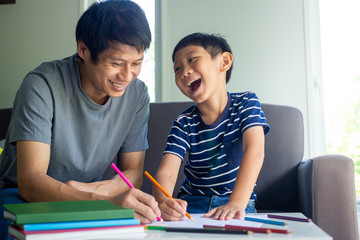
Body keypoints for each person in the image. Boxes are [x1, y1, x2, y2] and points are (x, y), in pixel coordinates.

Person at [0, 0, 161, 238]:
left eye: (136, 63)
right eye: (116, 63)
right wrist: (103, 202)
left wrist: (103, 194)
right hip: (22, 196)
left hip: (89, 197)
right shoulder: (41, 84)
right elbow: (31, 181)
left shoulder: (137, 94)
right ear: (84, 50)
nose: (127, 76)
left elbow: (133, 172)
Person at [153, 33, 270, 221]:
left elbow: (255, 152)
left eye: (192, 59)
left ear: (224, 62)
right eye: (177, 68)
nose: (184, 72)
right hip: (192, 204)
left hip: (238, 203)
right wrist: (163, 201)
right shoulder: (183, 122)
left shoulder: (247, 103)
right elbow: (167, 171)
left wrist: (236, 203)